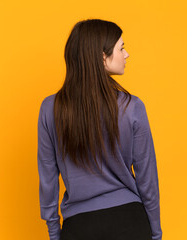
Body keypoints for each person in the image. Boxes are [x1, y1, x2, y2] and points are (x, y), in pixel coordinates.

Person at [37, 19, 162, 240]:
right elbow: (147, 180)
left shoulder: (50, 109)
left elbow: (48, 181)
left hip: (79, 226)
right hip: (130, 223)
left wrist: (55, 234)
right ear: (103, 57)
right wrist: (155, 234)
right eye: (121, 48)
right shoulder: (132, 107)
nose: (126, 54)